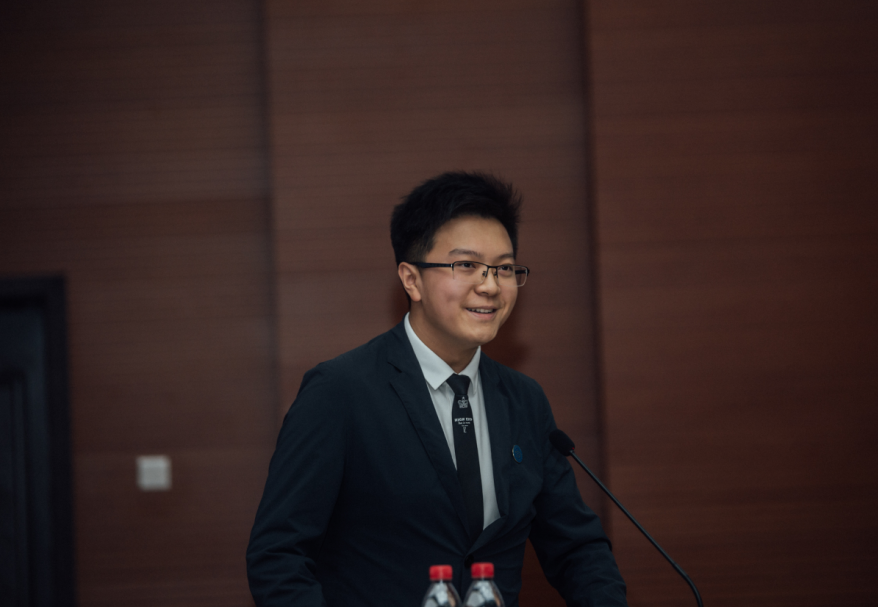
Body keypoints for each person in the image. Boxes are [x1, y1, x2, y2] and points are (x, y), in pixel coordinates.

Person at [246, 172, 627, 607]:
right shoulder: (339, 392)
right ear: (411, 280)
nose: (489, 285)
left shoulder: (524, 400)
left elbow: (578, 550)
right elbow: (278, 557)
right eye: (466, 265)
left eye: (504, 268)